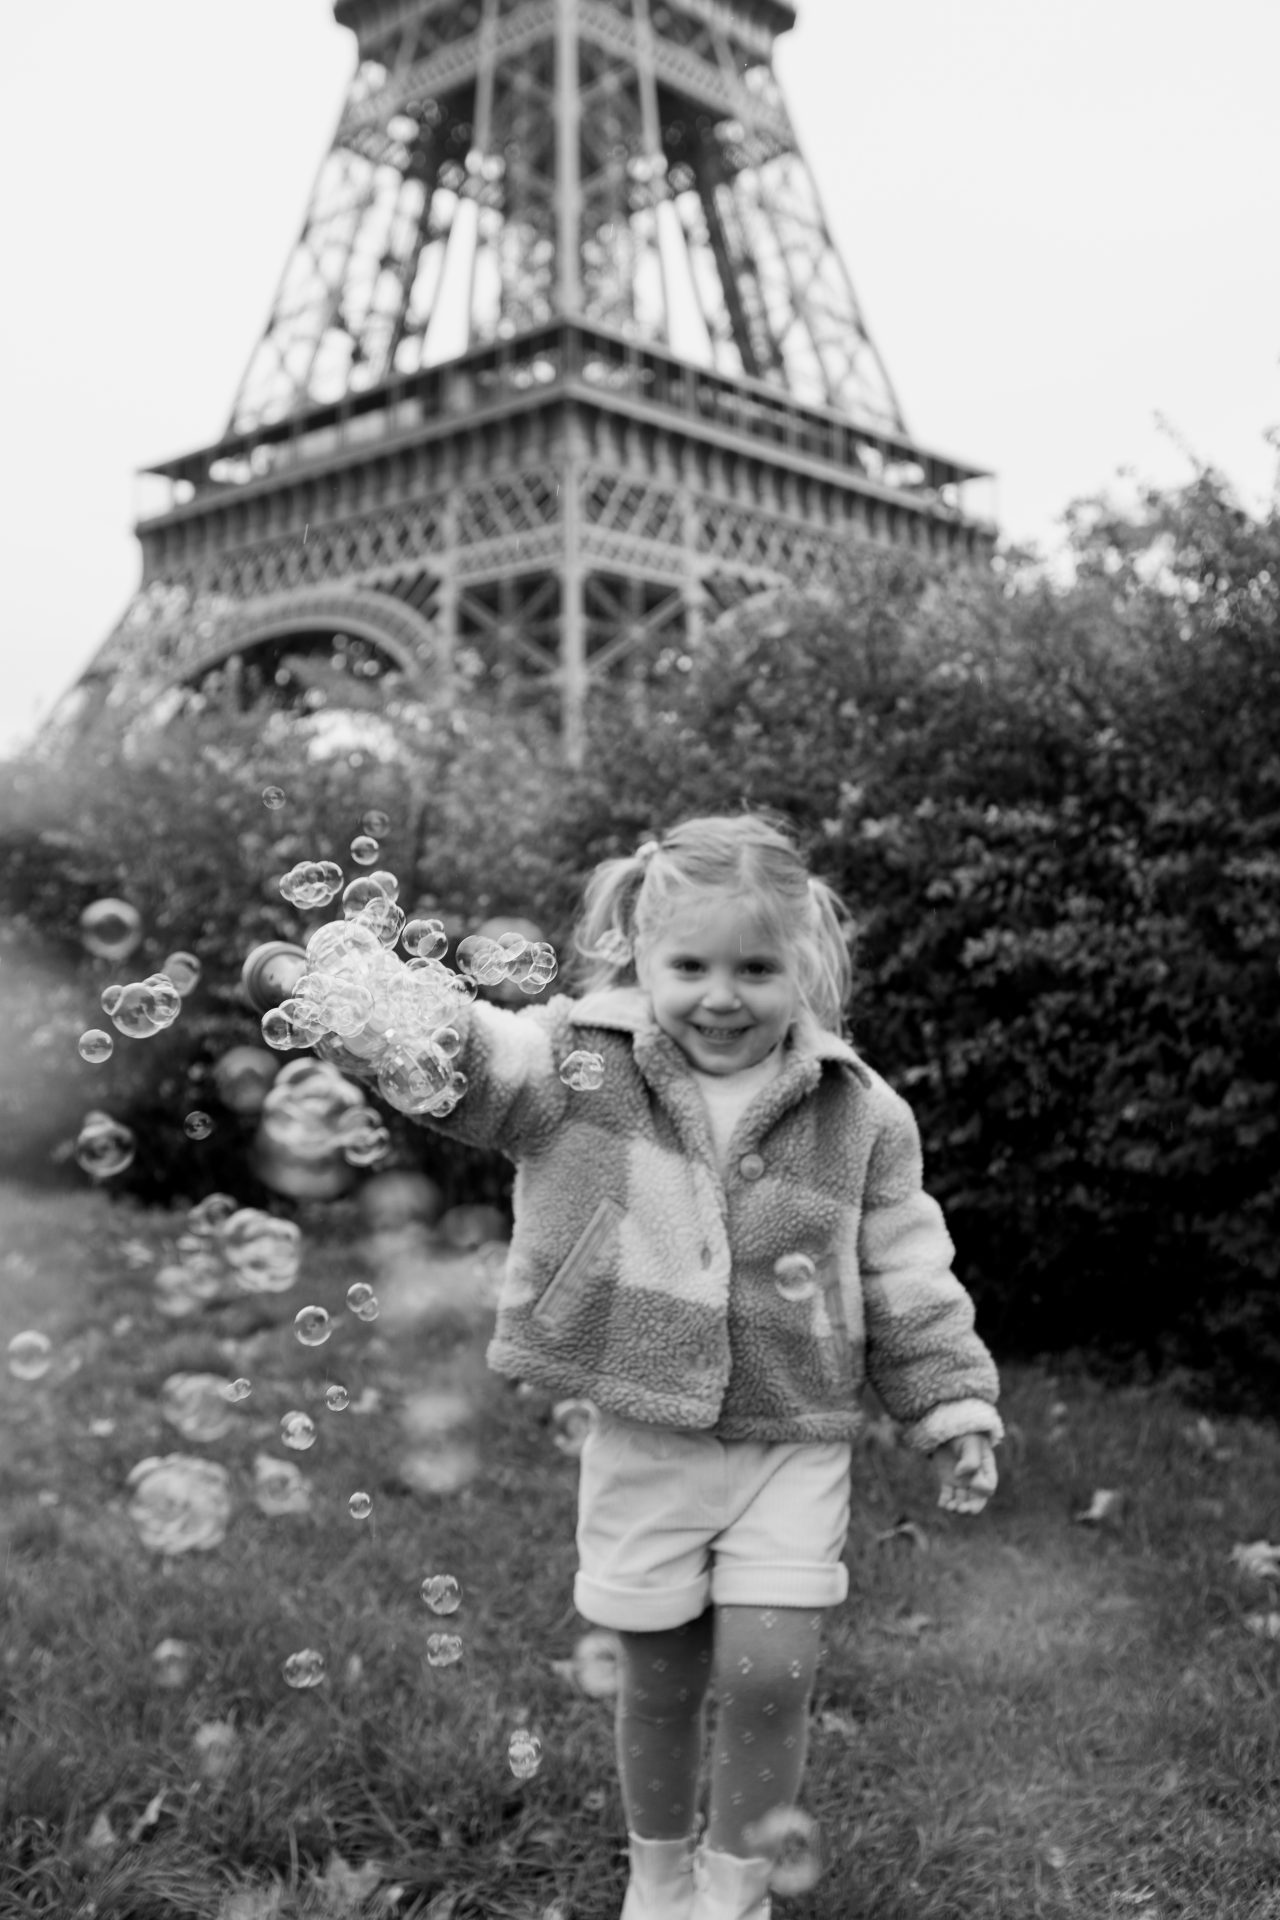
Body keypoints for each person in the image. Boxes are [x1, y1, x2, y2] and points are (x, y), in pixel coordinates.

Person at [410, 813, 1002, 1920]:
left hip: (792, 1432)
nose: (719, 996)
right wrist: (377, 1017)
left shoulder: (857, 1110)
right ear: (638, 953)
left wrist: (951, 1399)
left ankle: (733, 1894)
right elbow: (476, 1063)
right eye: (688, 966)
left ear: (805, 967)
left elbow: (906, 1267)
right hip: (645, 1430)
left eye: (754, 968)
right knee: (660, 1679)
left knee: (771, 1673)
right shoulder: (581, 1064)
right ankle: (658, 1877)